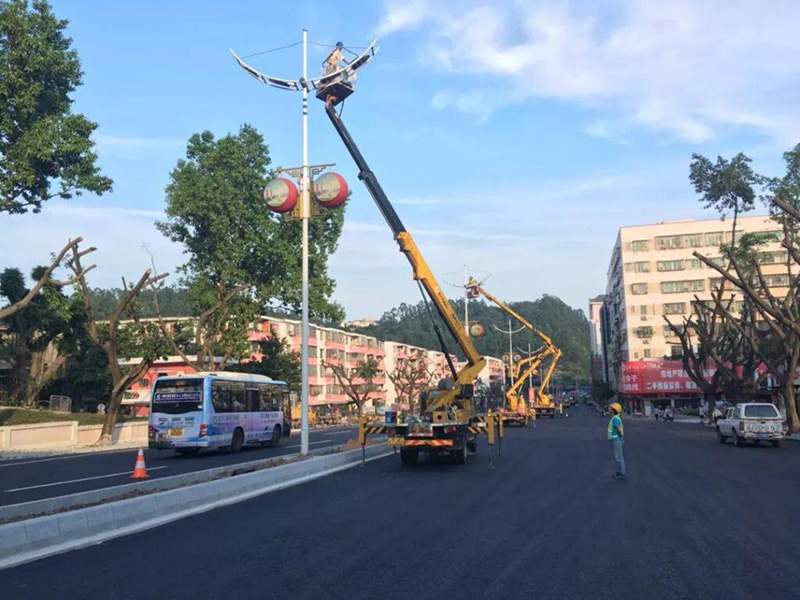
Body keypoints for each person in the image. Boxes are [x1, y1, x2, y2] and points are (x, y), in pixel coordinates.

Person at [608, 402, 626, 480]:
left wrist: (621, 436)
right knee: (618, 456)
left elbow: (618, 429)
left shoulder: (615, 418)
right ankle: (620, 471)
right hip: (616, 439)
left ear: (614, 410)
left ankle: (622, 472)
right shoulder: (615, 417)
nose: (609, 408)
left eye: (611, 407)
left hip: (616, 439)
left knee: (619, 457)